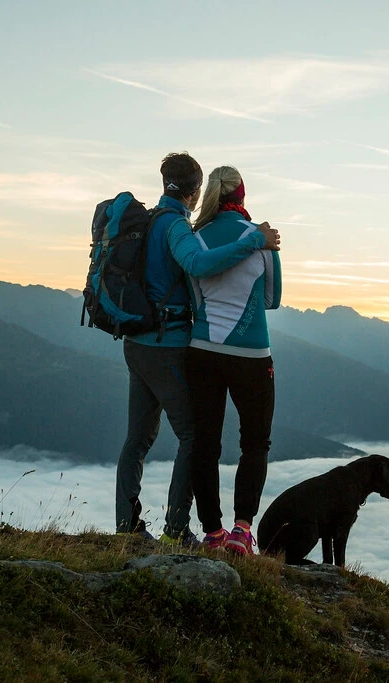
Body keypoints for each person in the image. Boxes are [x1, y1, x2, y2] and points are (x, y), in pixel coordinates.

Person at [115, 153, 281, 545]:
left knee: (137, 439)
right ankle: (175, 529)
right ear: (193, 190)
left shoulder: (151, 220)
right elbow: (199, 266)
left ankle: (126, 526)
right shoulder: (175, 227)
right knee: (194, 438)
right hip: (166, 343)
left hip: (135, 342)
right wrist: (256, 240)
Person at [185, 166, 282, 555]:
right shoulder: (261, 238)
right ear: (242, 194)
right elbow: (272, 299)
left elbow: (195, 301)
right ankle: (242, 532)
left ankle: (212, 533)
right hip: (253, 357)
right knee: (255, 443)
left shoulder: (196, 240)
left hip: (203, 352)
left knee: (205, 445)